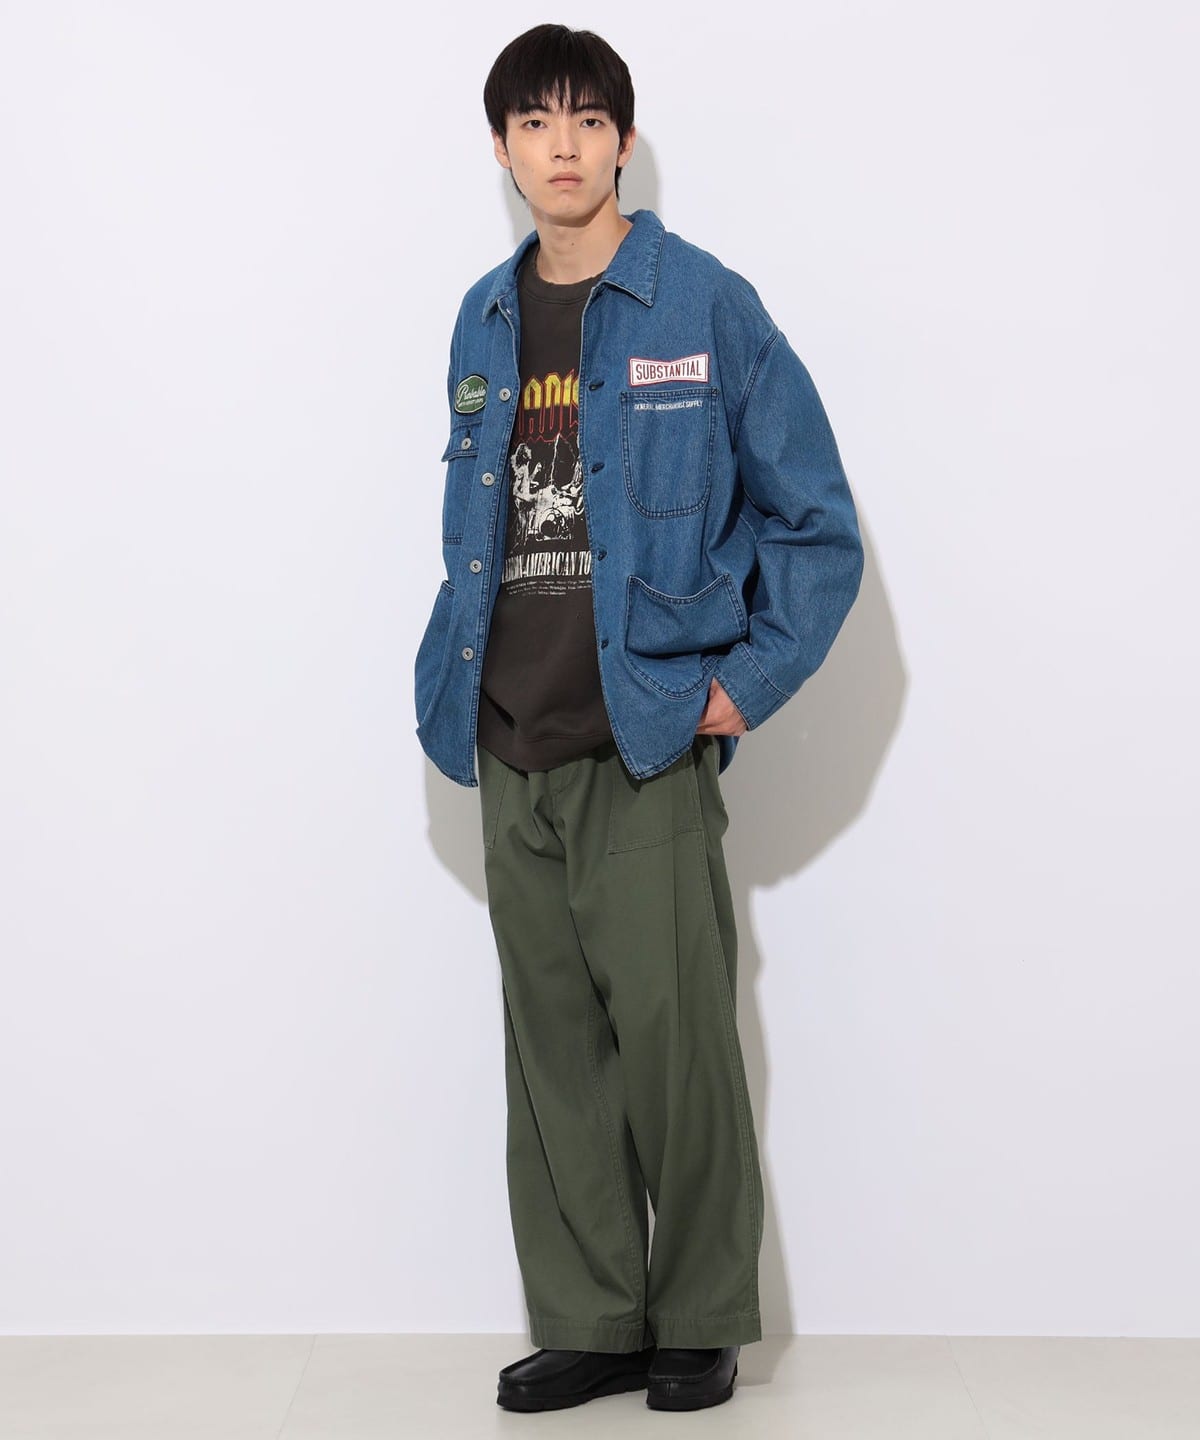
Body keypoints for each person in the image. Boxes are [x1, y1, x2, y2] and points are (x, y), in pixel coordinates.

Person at [413, 23, 864, 1414]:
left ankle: (702, 1314)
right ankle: (594, 1318)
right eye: (534, 123)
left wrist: (743, 685)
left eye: (587, 119)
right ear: (502, 149)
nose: (562, 146)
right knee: (553, 1053)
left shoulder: (704, 304)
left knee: (677, 1045)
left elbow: (817, 525)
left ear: (622, 138)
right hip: (505, 733)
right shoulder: (483, 319)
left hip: (645, 736)